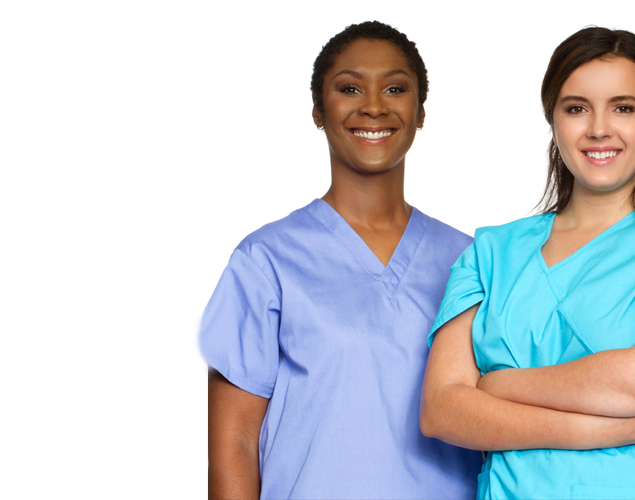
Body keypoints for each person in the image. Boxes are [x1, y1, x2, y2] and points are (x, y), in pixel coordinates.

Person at [419, 27, 635, 500]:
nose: (598, 128)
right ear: (554, 122)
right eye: (576, 108)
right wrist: (592, 431)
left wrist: (499, 384)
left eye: (623, 108)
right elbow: (442, 410)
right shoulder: (491, 251)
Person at [199, 21, 479, 500]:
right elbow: (236, 443)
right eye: (350, 87)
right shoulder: (266, 261)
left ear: (421, 112)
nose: (373, 105)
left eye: (395, 88)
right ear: (317, 110)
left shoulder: (470, 260)